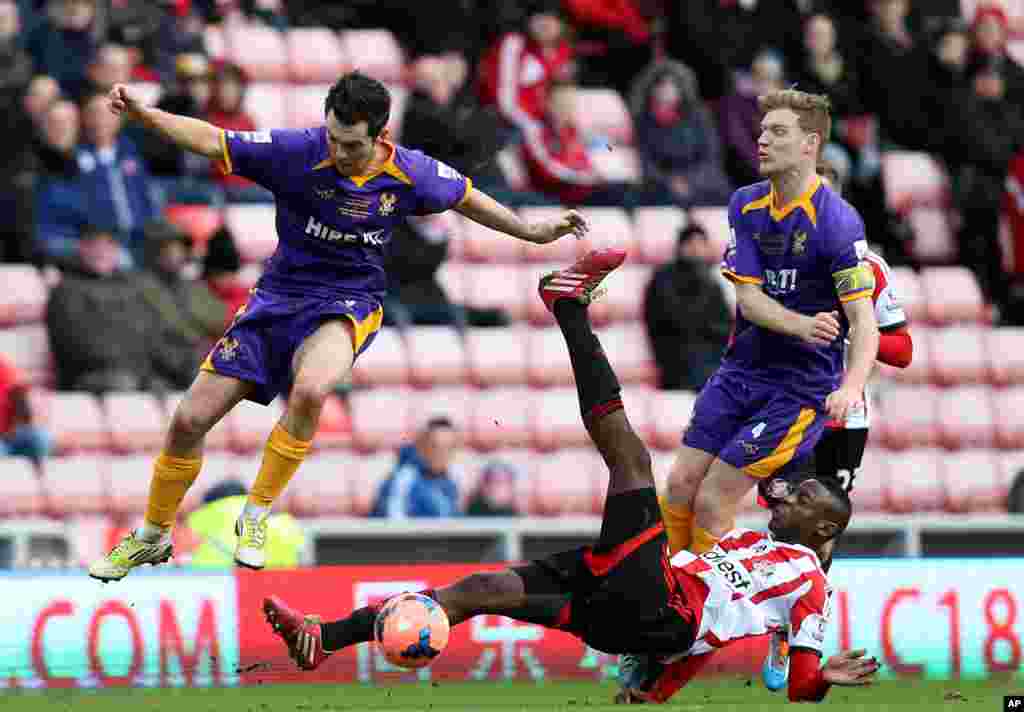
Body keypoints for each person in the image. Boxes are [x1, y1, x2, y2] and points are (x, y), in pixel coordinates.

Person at [262, 248, 880, 703]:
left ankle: (567, 307)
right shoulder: (755, 545)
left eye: (801, 496)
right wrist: (656, 694)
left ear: (824, 524)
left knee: (632, 463)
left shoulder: (810, 585)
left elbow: (796, 681)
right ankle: (324, 636)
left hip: (656, 604)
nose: (786, 493)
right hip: (634, 611)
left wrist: (822, 678)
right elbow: (708, 640)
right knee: (478, 589)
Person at [89, 71, 587, 582]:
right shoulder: (297, 152)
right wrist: (145, 115)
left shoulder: (409, 172)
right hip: (277, 301)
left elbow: (467, 196)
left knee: (311, 390)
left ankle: (256, 513)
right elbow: (213, 141)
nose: (338, 150)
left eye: (350, 144)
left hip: (347, 302)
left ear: (380, 137)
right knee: (189, 421)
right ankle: (151, 536)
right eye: (332, 137)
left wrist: (529, 230)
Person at [655, 88, 879, 581]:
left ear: (809, 145)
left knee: (714, 500)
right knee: (678, 487)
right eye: (762, 130)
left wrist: (851, 386)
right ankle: (663, 600)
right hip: (740, 371)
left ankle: (694, 621)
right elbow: (750, 301)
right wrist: (803, 324)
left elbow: (865, 324)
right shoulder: (746, 205)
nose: (762, 140)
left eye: (778, 132)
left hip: (797, 391)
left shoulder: (839, 225)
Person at [755, 160, 913, 690]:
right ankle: (767, 624)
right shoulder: (771, 262)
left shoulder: (871, 268)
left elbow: (903, 350)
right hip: (782, 409)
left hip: (845, 419)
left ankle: (799, 639)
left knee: (821, 531)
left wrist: (853, 333)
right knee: (782, 519)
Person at [643, 222, 731, 391]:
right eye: (691, 243)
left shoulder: (711, 280)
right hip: (676, 358)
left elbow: (723, 324)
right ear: (680, 247)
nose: (696, 249)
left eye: (700, 244)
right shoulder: (663, 278)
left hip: (710, 356)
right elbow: (667, 321)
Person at [370, 417, 461, 518]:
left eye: (449, 448)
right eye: (435, 446)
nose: (442, 454)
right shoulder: (404, 479)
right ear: (422, 447)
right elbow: (393, 523)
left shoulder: (450, 483)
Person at [0, 354, 52, 463]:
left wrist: (27, 418)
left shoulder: (3, 368)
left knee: (39, 438)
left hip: (9, 433)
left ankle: (43, 477)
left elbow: (19, 393)